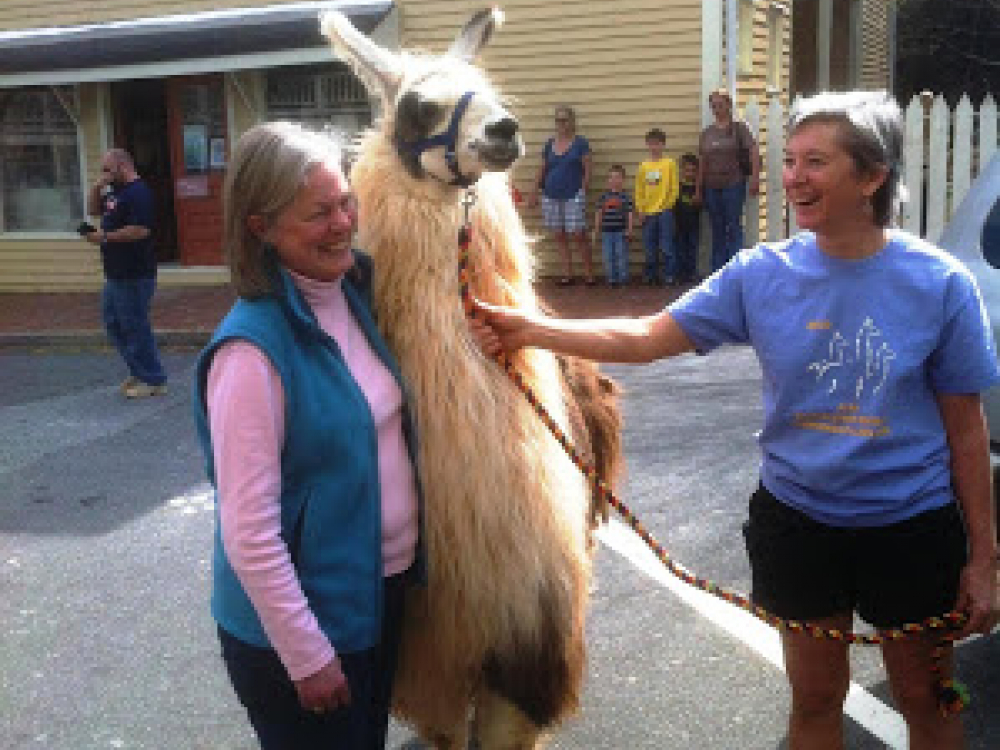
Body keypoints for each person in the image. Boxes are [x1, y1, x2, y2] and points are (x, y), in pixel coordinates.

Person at [471, 91, 999, 749]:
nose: (794, 177)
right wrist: (533, 330)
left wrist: (983, 558)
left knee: (930, 700)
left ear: (871, 176)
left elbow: (967, 430)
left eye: (817, 162)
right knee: (813, 701)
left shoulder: (941, 284)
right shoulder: (760, 274)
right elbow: (645, 335)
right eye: (791, 160)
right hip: (799, 525)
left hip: (913, 531)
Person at [192, 121, 423, 749]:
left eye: (346, 201)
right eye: (319, 213)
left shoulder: (354, 293)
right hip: (302, 632)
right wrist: (306, 655)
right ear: (260, 228)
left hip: (371, 598)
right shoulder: (252, 353)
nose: (345, 222)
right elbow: (249, 531)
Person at [85, 148, 166, 399]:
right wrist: (96, 188)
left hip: (135, 272)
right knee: (113, 323)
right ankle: (138, 370)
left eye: (107, 170)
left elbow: (141, 230)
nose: (104, 175)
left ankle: (153, 379)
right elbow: (95, 212)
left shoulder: (139, 193)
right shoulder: (114, 191)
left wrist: (105, 237)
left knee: (134, 325)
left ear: (123, 166)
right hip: (115, 272)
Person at [529, 105, 594, 285]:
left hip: (573, 194)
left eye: (564, 120)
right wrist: (534, 191)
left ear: (572, 121)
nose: (561, 124)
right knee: (559, 235)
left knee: (578, 234)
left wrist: (583, 189)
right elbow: (543, 168)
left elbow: (588, 169)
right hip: (550, 195)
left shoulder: (581, 143)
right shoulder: (550, 144)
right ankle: (568, 274)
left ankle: (589, 274)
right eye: (558, 120)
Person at [697, 88, 760, 272]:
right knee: (717, 229)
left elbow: (753, 151)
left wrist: (755, 178)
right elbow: (702, 161)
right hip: (711, 187)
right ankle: (718, 270)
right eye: (713, 106)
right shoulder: (707, 133)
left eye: (720, 105)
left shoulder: (739, 128)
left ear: (729, 105)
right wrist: (698, 189)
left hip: (733, 184)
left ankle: (735, 269)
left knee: (733, 226)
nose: (717, 109)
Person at [634, 128, 679, 285]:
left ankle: (669, 275)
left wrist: (667, 206)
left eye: (657, 144)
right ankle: (651, 276)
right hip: (647, 213)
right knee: (649, 246)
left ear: (663, 145)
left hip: (664, 212)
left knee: (666, 246)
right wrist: (640, 209)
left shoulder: (669, 164)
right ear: (647, 145)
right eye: (651, 144)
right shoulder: (643, 166)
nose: (654, 147)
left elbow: (674, 188)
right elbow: (639, 189)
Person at [594, 164, 634, 287]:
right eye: (611, 178)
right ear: (608, 180)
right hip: (606, 232)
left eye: (617, 177)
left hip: (620, 232)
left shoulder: (626, 197)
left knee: (621, 256)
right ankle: (612, 279)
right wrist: (596, 229)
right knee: (608, 256)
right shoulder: (603, 197)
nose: (614, 180)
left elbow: (630, 214)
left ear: (623, 180)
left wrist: (630, 229)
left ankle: (623, 279)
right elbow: (599, 213)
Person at [674, 152, 702, 284]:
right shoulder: (677, 187)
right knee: (680, 250)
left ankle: (691, 273)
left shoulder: (698, 189)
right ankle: (681, 274)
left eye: (693, 171)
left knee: (692, 249)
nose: (690, 173)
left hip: (694, 225)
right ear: (681, 170)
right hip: (679, 225)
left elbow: (702, 205)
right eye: (687, 170)